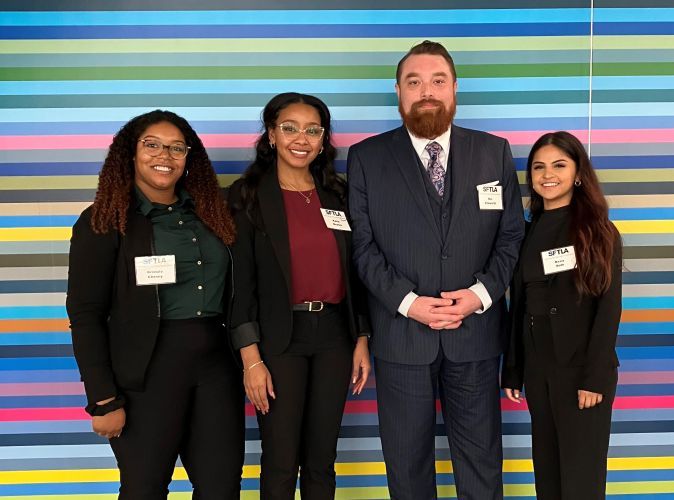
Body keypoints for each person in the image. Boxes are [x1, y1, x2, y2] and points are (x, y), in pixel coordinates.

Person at [347, 40, 524, 499]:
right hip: (401, 339)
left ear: (455, 89)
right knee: (406, 468)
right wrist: (409, 304)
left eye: (437, 81)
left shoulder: (494, 153)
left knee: (481, 464)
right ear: (399, 91)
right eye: (415, 82)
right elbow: (362, 248)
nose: (427, 91)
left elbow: (510, 238)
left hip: (476, 335)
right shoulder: (367, 159)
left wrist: (479, 296)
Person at [66, 110, 244, 499]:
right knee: (144, 489)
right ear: (130, 153)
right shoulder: (103, 221)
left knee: (222, 488)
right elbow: (85, 315)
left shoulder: (213, 214)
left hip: (216, 370)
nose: (165, 155)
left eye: (177, 148)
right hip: (145, 374)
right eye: (152, 145)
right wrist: (103, 398)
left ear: (188, 158)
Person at [228, 92, 371, 500]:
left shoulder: (338, 194)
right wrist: (251, 359)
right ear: (271, 135)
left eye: (313, 130)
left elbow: (356, 274)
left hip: (335, 336)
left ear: (324, 139)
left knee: (322, 459)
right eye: (289, 128)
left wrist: (361, 336)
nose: (301, 139)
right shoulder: (247, 196)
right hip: (278, 339)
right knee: (280, 459)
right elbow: (239, 285)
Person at [501, 131, 622, 500]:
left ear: (578, 173)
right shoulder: (527, 229)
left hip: (581, 373)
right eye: (538, 167)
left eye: (558, 165)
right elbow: (519, 304)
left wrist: (595, 377)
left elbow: (608, 307)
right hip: (540, 370)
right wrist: (515, 369)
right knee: (549, 478)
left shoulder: (598, 230)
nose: (547, 174)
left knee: (580, 482)